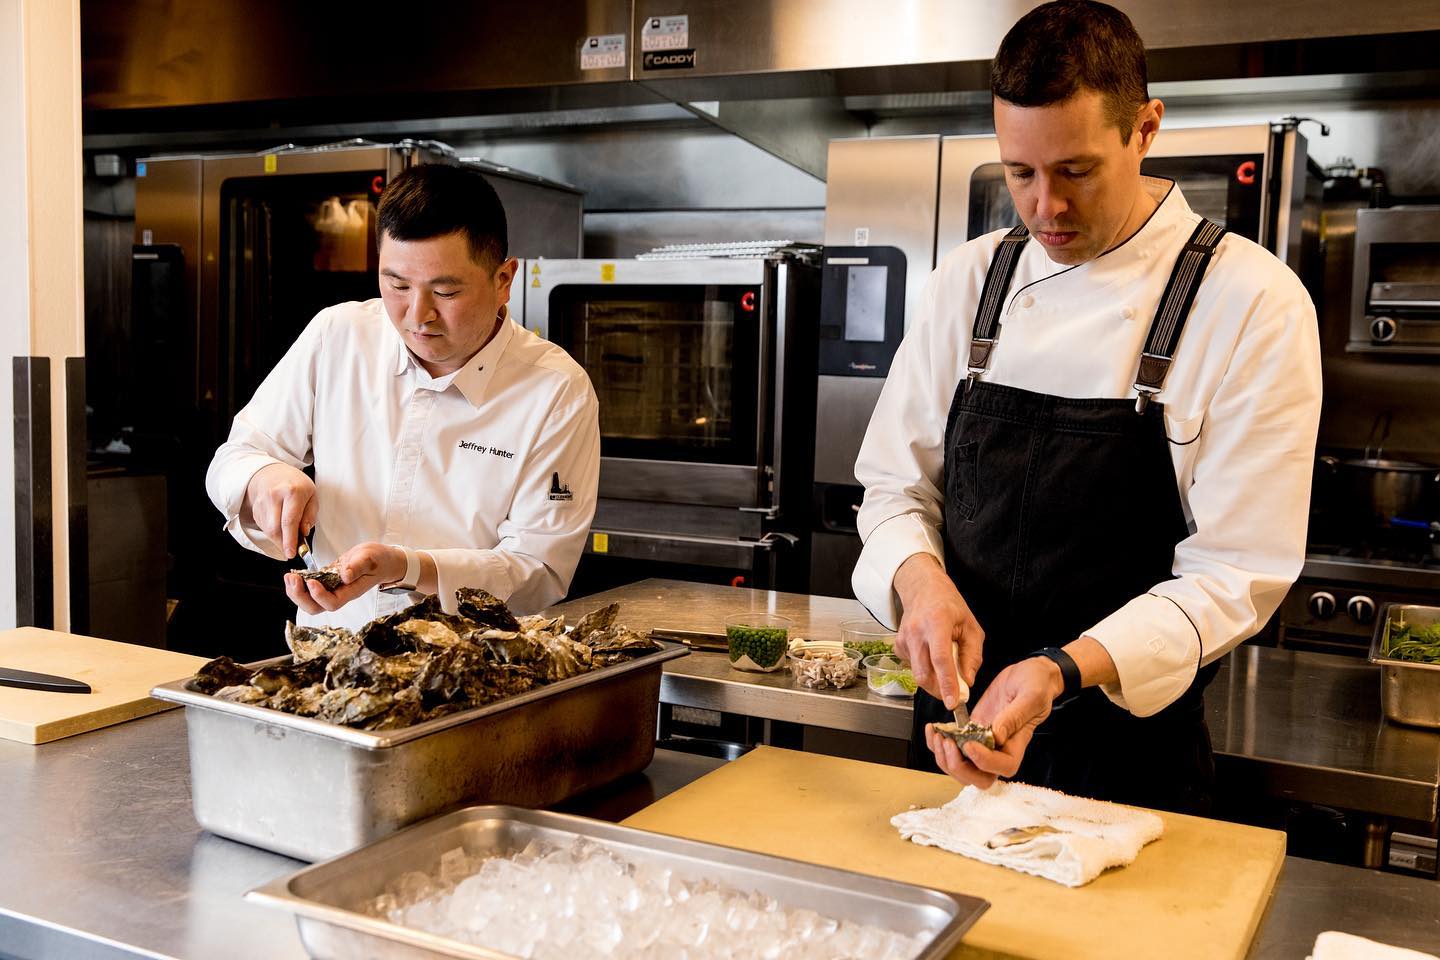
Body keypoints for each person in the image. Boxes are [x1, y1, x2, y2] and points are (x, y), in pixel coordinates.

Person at [851, 0, 1322, 814]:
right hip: (955, 735)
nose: (1046, 208)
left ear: (1145, 129)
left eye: (1076, 171)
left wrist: (1061, 670)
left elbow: (1235, 572)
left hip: (1129, 759)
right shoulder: (970, 281)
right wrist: (921, 584)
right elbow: (895, 487)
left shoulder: (1251, 301)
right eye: (1020, 174)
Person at [205, 163, 600, 630]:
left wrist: (407, 568)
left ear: (503, 280)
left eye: (445, 291)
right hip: (329, 655)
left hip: (466, 662)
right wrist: (263, 478)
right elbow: (235, 456)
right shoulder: (339, 335)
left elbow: (538, 571)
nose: (417, 315)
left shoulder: (557, 390)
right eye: (397, 285)